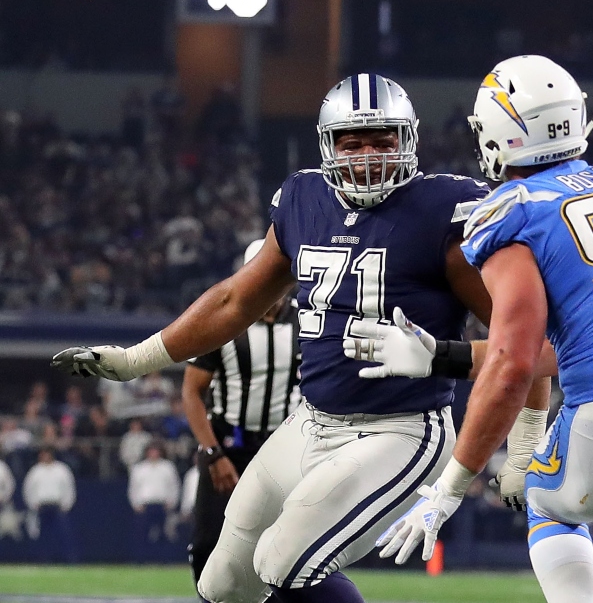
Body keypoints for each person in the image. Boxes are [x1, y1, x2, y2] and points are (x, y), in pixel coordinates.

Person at [51, 72, 549, 603]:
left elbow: (525, 343)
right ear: (326, 144)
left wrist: (525, 442)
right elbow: (235, 300)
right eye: (350, 141)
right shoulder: (302, 197)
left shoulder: (446, 213)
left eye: (382, 139)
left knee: (284, 561)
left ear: (409, 140)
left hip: (399, 430)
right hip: (309, 421)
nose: (366, 156)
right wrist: (137, 360)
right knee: (222, 584)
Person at [352, 55, 593, 603]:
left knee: (545, 502)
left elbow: (516, 361)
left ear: (502, 132)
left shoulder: (509, 210)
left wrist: (448, 490)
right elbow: (578, 344)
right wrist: (444, 357)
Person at [181, 239, 302, 589]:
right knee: (208, 544)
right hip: (227, 447)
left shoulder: (306, 320)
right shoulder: (225, 322)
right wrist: (212, 452)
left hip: (281, 449)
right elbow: (191, 392)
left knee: (284, 548)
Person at [128, 441, 182, 562]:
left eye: (156, 450)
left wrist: (172, 502)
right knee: (142, 535)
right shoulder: (139, 468)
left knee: (163, 534)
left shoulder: (168, 467)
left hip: (162, 505)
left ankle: (163, 560)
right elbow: (133, 488)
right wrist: (136, 504)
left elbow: (174, 486)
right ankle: (142, 560)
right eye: (151, 450)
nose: (153, 453)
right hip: (145, 505)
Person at [22, 447, 77, 563]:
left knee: (64, 534)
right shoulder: (35, 471)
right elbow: (27, 489)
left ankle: (68, 559)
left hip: (57, 507)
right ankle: (43, 559)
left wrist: (67, 504)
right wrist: (32, 504)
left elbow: (69, 487)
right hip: (42, 507)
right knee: (42, 536)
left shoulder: (62, 470)